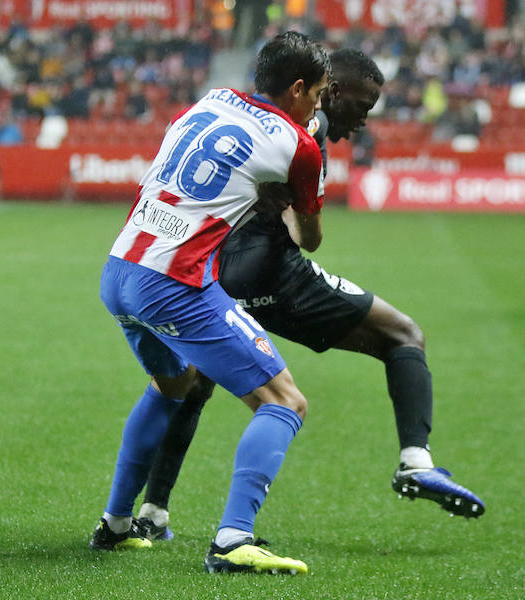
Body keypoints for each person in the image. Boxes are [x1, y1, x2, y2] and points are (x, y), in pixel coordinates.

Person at [131, 49, 485, 546]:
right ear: (329, 92)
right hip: (273, 274)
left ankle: (151, 512)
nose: (361, 122)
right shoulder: (307, 133)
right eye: (361, 106)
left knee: (194, 384)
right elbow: (305, 236)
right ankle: (415, 462)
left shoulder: (253, 114)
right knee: (402, 334)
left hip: (213, 271)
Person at [89, 31, 330, 576]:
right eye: (317, 92)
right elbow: (308, 237)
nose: (319, 103)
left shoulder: (209, 100)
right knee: (285, 401)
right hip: (174, 280)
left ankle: (117, 523)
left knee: (173, 384)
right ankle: (232, 539)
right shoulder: (301, 144)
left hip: (119, 268)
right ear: (296, 89)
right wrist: (290, 189)